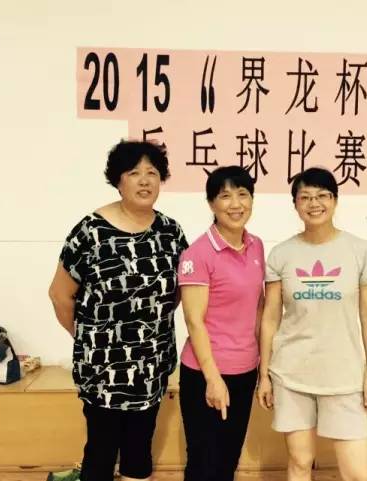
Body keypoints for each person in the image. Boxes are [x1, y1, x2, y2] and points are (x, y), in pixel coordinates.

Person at [48, 140, 188, 481]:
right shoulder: (90, 232)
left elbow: (177, 293)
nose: (145, 180)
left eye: (152, 173)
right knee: (101, 449)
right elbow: (60, 296)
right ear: (118, 180)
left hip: (151, 365)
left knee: (140, 449)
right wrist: (89, 339)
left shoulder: (170, 232)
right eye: (134, 173)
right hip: (102, 369)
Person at [257, 167, 367, 481]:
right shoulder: (282, 254)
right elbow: (270, 317)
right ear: (295, 205)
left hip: (343, 375)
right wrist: (264, 375)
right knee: (300, 462)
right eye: (305, 197)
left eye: (322, 195)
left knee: (357, 473)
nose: (314, 203)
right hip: (291, 374)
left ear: (335, 201)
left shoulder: (360, 250)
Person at [177, 166, 265, 481]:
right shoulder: (197, 254)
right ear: (211, 203)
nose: (235, 204)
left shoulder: (256, 245)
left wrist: (264, 368)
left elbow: (259, 308)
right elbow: (194, 321)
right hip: (206, 373)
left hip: (245, 370)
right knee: (204, 464)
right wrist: (213, 379)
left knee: (228, 460)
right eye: (225, 196)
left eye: (243, 194)